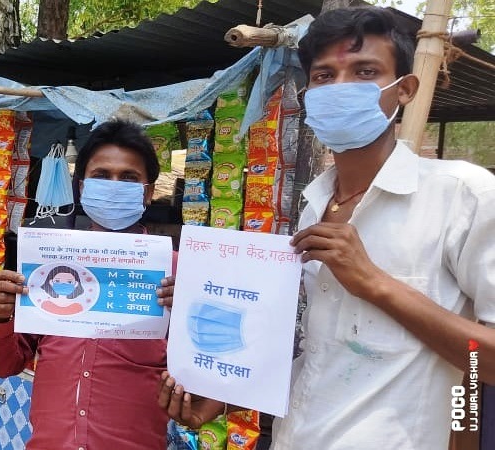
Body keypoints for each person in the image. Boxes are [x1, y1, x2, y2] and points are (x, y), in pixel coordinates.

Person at [159, 7, 495, 449]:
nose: (341, 87)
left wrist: (375, 284)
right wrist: (223, 396)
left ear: (405, 89)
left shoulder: (464, 197)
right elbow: (319, 355)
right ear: (307, 95)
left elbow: (485, 366)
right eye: (324, 76)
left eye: (365, 71)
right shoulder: (316, 205)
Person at [0, 119, 177, 449]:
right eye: (102, 175)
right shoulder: (48, 261)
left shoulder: (175, 274)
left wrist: (188, 318)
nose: (113, 186)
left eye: (128, 178)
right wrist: (1, 317)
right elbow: (5, 365)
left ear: (147, 193)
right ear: (83, 187)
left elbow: (204, 383)